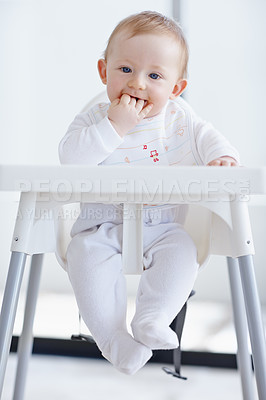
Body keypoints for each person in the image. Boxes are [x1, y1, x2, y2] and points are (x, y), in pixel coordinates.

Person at [59, 11, 239, 375]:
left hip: (165, 227)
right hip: (100, 227)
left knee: (183, 253)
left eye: (154, 76)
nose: (137, 83)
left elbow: (209, 138)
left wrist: (223, 158)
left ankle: (153, 319)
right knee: (83, 259)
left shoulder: (180, 120)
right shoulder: (94, 118)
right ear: (103, 71)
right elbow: (70, 159)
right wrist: (114, 126)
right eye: (125, 69)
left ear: (175, 89)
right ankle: (113, 340)